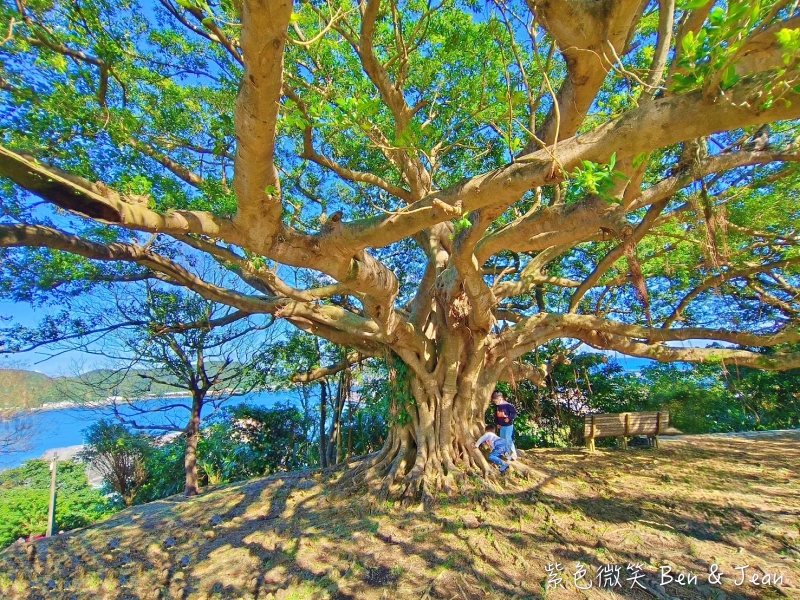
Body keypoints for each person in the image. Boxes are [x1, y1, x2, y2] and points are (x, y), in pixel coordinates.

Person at [491, 390, 518, 460]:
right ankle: (506, 454)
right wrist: (497, 423)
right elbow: (496, 416)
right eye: (494, 401)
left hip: (508, 426)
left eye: (496, 400)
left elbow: (514, 414)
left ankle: (513, 454)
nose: (495, 402)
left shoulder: (508, 405)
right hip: (501, 426)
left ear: (500, 398)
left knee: (508, 439)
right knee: (502, 440)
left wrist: (509, 418)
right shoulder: (497, 407)